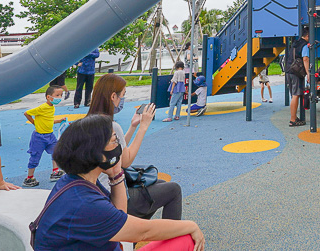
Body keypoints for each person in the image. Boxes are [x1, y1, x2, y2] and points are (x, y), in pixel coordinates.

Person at [34, 114, 203, 251]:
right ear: (96, 153)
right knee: (187, 239)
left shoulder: (76, 181)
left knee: (180, 235)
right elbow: (142, 232)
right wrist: (192, 225)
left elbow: (120, 214)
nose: (119, 146)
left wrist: (116, 174)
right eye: (114, 141)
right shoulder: (84, 202)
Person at [88, 74, 184, 220]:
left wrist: (133, 126)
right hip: (111, 196)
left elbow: (117, 150)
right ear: (113, 97)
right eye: (123, 95)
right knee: (173, 190)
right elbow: (126, 161)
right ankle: (166, 238)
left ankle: (133, 234)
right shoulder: (111, 126)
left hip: (94, 193)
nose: (123, 101)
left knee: (160, 184)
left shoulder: (89, 122)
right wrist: (143, 127)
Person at [23, 85, 66, 187]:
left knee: (56, 151)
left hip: (50, 135)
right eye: (57, 95)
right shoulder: (42, 108)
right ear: (48, 97)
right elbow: (27, 113)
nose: (59, 97)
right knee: (35, 156)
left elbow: (48, 121)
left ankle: (55, 172)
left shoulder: (52, 108)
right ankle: (29, 178)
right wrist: (34, 123)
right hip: (39, 137)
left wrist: (59, 121)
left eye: (61, 95)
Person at [285, 27, 310, 127]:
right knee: (296, 95)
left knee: (294, 94)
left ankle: (294, 117)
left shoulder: (295, 43)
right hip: (296, 73)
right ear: (307, 36)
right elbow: (305, 59)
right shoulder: (305, 45)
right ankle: (293, 119)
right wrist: (308, 73)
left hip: (289, 70)